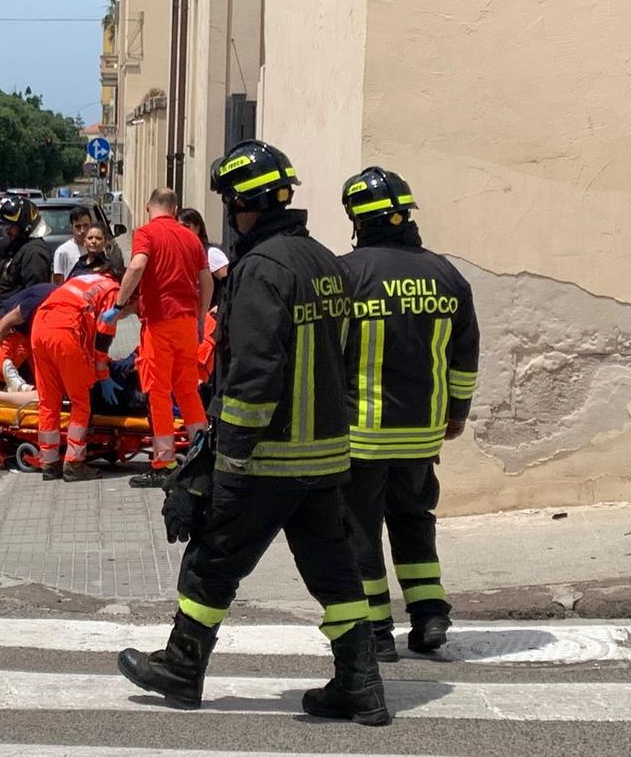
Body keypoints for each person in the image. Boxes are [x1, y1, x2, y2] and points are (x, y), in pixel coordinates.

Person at [117, 140, 391, 727]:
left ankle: (183, 667)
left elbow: (254, 370)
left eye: (229, 203)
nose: (229, 214)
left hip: (266, 457)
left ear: (245, 204)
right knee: (334, 571)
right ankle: (361, 685)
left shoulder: (262, 269)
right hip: (325, 456)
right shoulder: (326, 263)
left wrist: (223, 463)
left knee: (212, 559)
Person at [339, 167, 480, 661]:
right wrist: (456, 413)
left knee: (359, 528)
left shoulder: (346, 274)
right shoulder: (447, 274)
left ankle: (376, 630)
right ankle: (428, 615)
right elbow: (464, 357)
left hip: (362, 434)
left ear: (357, 219)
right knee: (414, 520)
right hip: (424, 434)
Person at [103, 188, 211, 488]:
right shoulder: (190, 237)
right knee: (188, 390)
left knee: (158, 392)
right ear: (175, 209)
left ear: (148, 206)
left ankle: (163, 462)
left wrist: (117, 306)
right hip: (187, 323)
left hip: (159, 324)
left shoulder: (146, 233)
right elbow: (206, 278)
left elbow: (137, 265)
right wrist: (200, 316)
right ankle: (202, 454)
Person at [32, 258, 125, 482]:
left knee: (48, 401)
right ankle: (74, 463)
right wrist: (103, 376)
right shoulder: (114, 290)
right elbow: (103, 338)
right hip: (65, 333)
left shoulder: (83, 279)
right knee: (81, 402)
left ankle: (49, 462)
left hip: (40, 327)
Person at [0, 282, 54, 387]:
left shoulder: (61, 300)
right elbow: (6, 321)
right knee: (0, 369)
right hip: (15, 327)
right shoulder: (37, 301)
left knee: (44, 375)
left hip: (33, 331)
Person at [0, 195, 52, 311]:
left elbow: (35, 297)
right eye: (5, 225)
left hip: (18, 323)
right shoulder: (13, 244)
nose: (7, 230)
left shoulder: (35, 253)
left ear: (25, 225)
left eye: (11, 226)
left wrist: (11, 320)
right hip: (5, 317)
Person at [177, 207, 230, 282]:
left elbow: (229, 283)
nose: (182, 231)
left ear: (197, 228)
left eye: (186, 227)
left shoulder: (211, 253)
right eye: (178, 227)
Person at [52, 206, 92, 282]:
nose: (82, 230)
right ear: (71, 227)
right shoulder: (62, 252)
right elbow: (59, 284)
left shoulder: (97, 249)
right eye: (78, 226)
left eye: (85, 225)